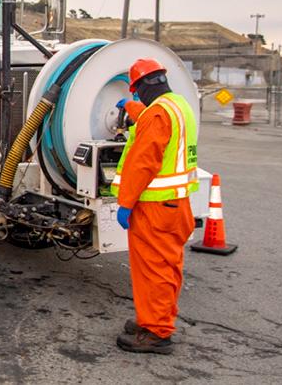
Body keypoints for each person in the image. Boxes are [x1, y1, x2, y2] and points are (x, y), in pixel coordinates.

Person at [111, 57, 199, 354]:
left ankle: (158, 333)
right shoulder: (179, 106)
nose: (136, 98)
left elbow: (143, 163)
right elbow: (150, 118)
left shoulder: (158, 115)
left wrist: (125, 203)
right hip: (176, 205)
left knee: (154, 270)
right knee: (166, 266)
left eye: (135, 93)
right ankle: (151, 320)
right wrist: (130, 107)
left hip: (155, 208)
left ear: (142, 87)